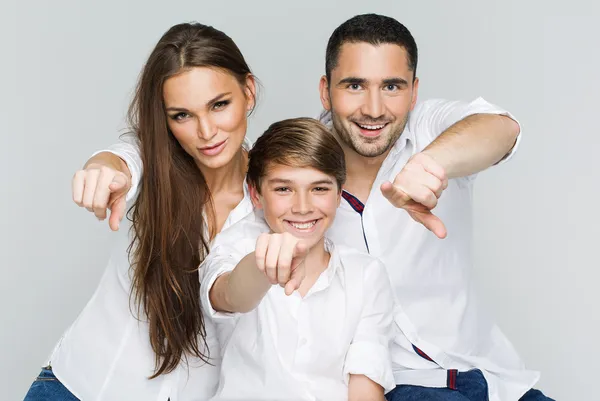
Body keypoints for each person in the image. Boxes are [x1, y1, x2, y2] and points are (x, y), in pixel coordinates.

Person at [77, 13, 554, 401]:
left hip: (488, 374)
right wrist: (116, 160)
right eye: (353, 86)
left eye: (391, 86)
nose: (373, 108)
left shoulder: (430, 131)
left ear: (413, 90)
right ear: (325, 91)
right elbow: (176, 157)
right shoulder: (295, 170)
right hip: (403, 384)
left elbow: (501, 128)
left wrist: (431, 163)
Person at [24, 22, 258, 401]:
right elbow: (123, 160)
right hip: (80, 389)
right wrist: (104, 169)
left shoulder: (280, 194)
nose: (206, 131)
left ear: (248, 92)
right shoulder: (153, 163)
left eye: (219, 105)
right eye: (182, 115)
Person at [202, 117, 395, 401]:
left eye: (319, 188)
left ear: (339, 194)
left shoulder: (366, 274)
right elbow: (229, 295)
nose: (302, 207)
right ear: (256, 195)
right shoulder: (234, 245)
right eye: (283, 189)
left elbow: (365, 385)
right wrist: (262, 268)